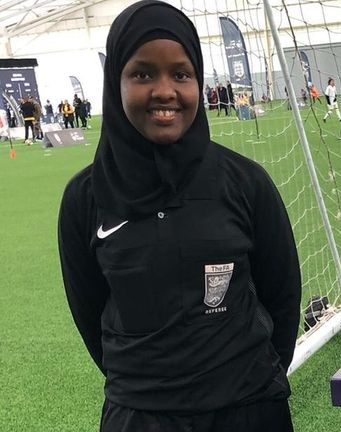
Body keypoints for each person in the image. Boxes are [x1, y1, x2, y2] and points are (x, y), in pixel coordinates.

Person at [57, 2, 301, 431]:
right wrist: (148, 386)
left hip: (248, 408)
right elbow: (89, 312)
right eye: (143, 74)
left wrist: (246, 382)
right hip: (140, 415)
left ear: (198, 82)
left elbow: (282, 296)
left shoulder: (245, 182)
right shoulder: (85, 197)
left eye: (181, 74)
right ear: (116, 82)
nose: (165, 90)